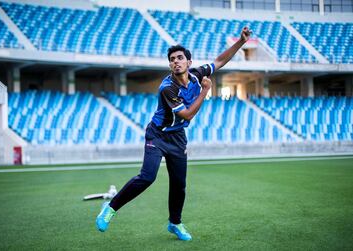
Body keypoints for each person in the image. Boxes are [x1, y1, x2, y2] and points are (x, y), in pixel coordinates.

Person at [96, 27, 252, 241]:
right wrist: (206, 92)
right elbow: (187, 115)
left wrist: (241, 42)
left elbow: (219, 61)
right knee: (147, 177)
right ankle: (111, 208)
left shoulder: (197, 75)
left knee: (179, 185)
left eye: (180, 58)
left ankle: (175, 223)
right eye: (172, 59)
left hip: (177, 138)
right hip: (157, 136)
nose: (176, 61)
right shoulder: (167, 88)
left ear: (189, 62)